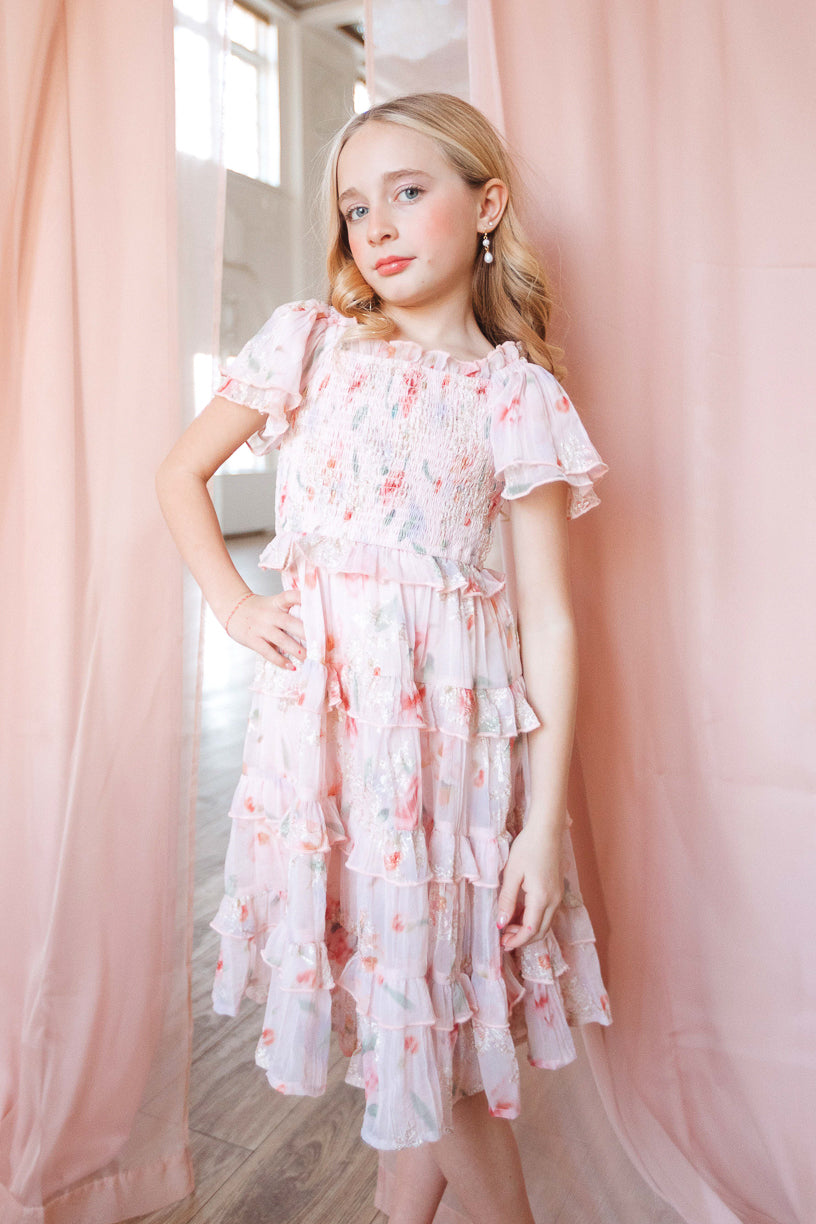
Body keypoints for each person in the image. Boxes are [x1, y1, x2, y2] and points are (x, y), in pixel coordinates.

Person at [157, 90, 612, 1224]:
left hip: (449, 770)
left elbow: (552, 621)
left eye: (409, 192)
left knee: (429, 1028)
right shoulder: (311, 342)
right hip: (323, 753)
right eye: (358, 207)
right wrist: (233, 604)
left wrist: (542, 828)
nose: (379, 226)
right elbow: (179, 473)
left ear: (486, 205)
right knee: (409, 1026)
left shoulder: (514, 394)